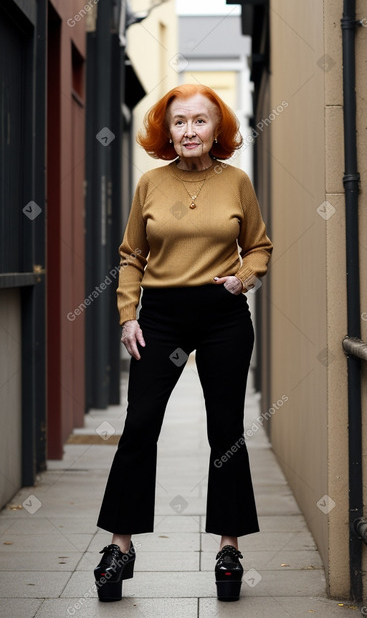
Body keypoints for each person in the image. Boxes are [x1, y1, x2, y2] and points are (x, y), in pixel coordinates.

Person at [94, 84, 273, 602]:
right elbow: (132, 255)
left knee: (226, 430)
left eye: (200, 121)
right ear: (166, 131)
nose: (189, 131)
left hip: (223, 316)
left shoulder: (237, 182)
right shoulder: (150, 183)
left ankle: (229, 547)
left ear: (217, 129)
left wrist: (244, 279)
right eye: (179, 122)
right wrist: (129, 316)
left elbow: (258, 245)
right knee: (140, 424)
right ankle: (120, 546)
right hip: (163, 318)